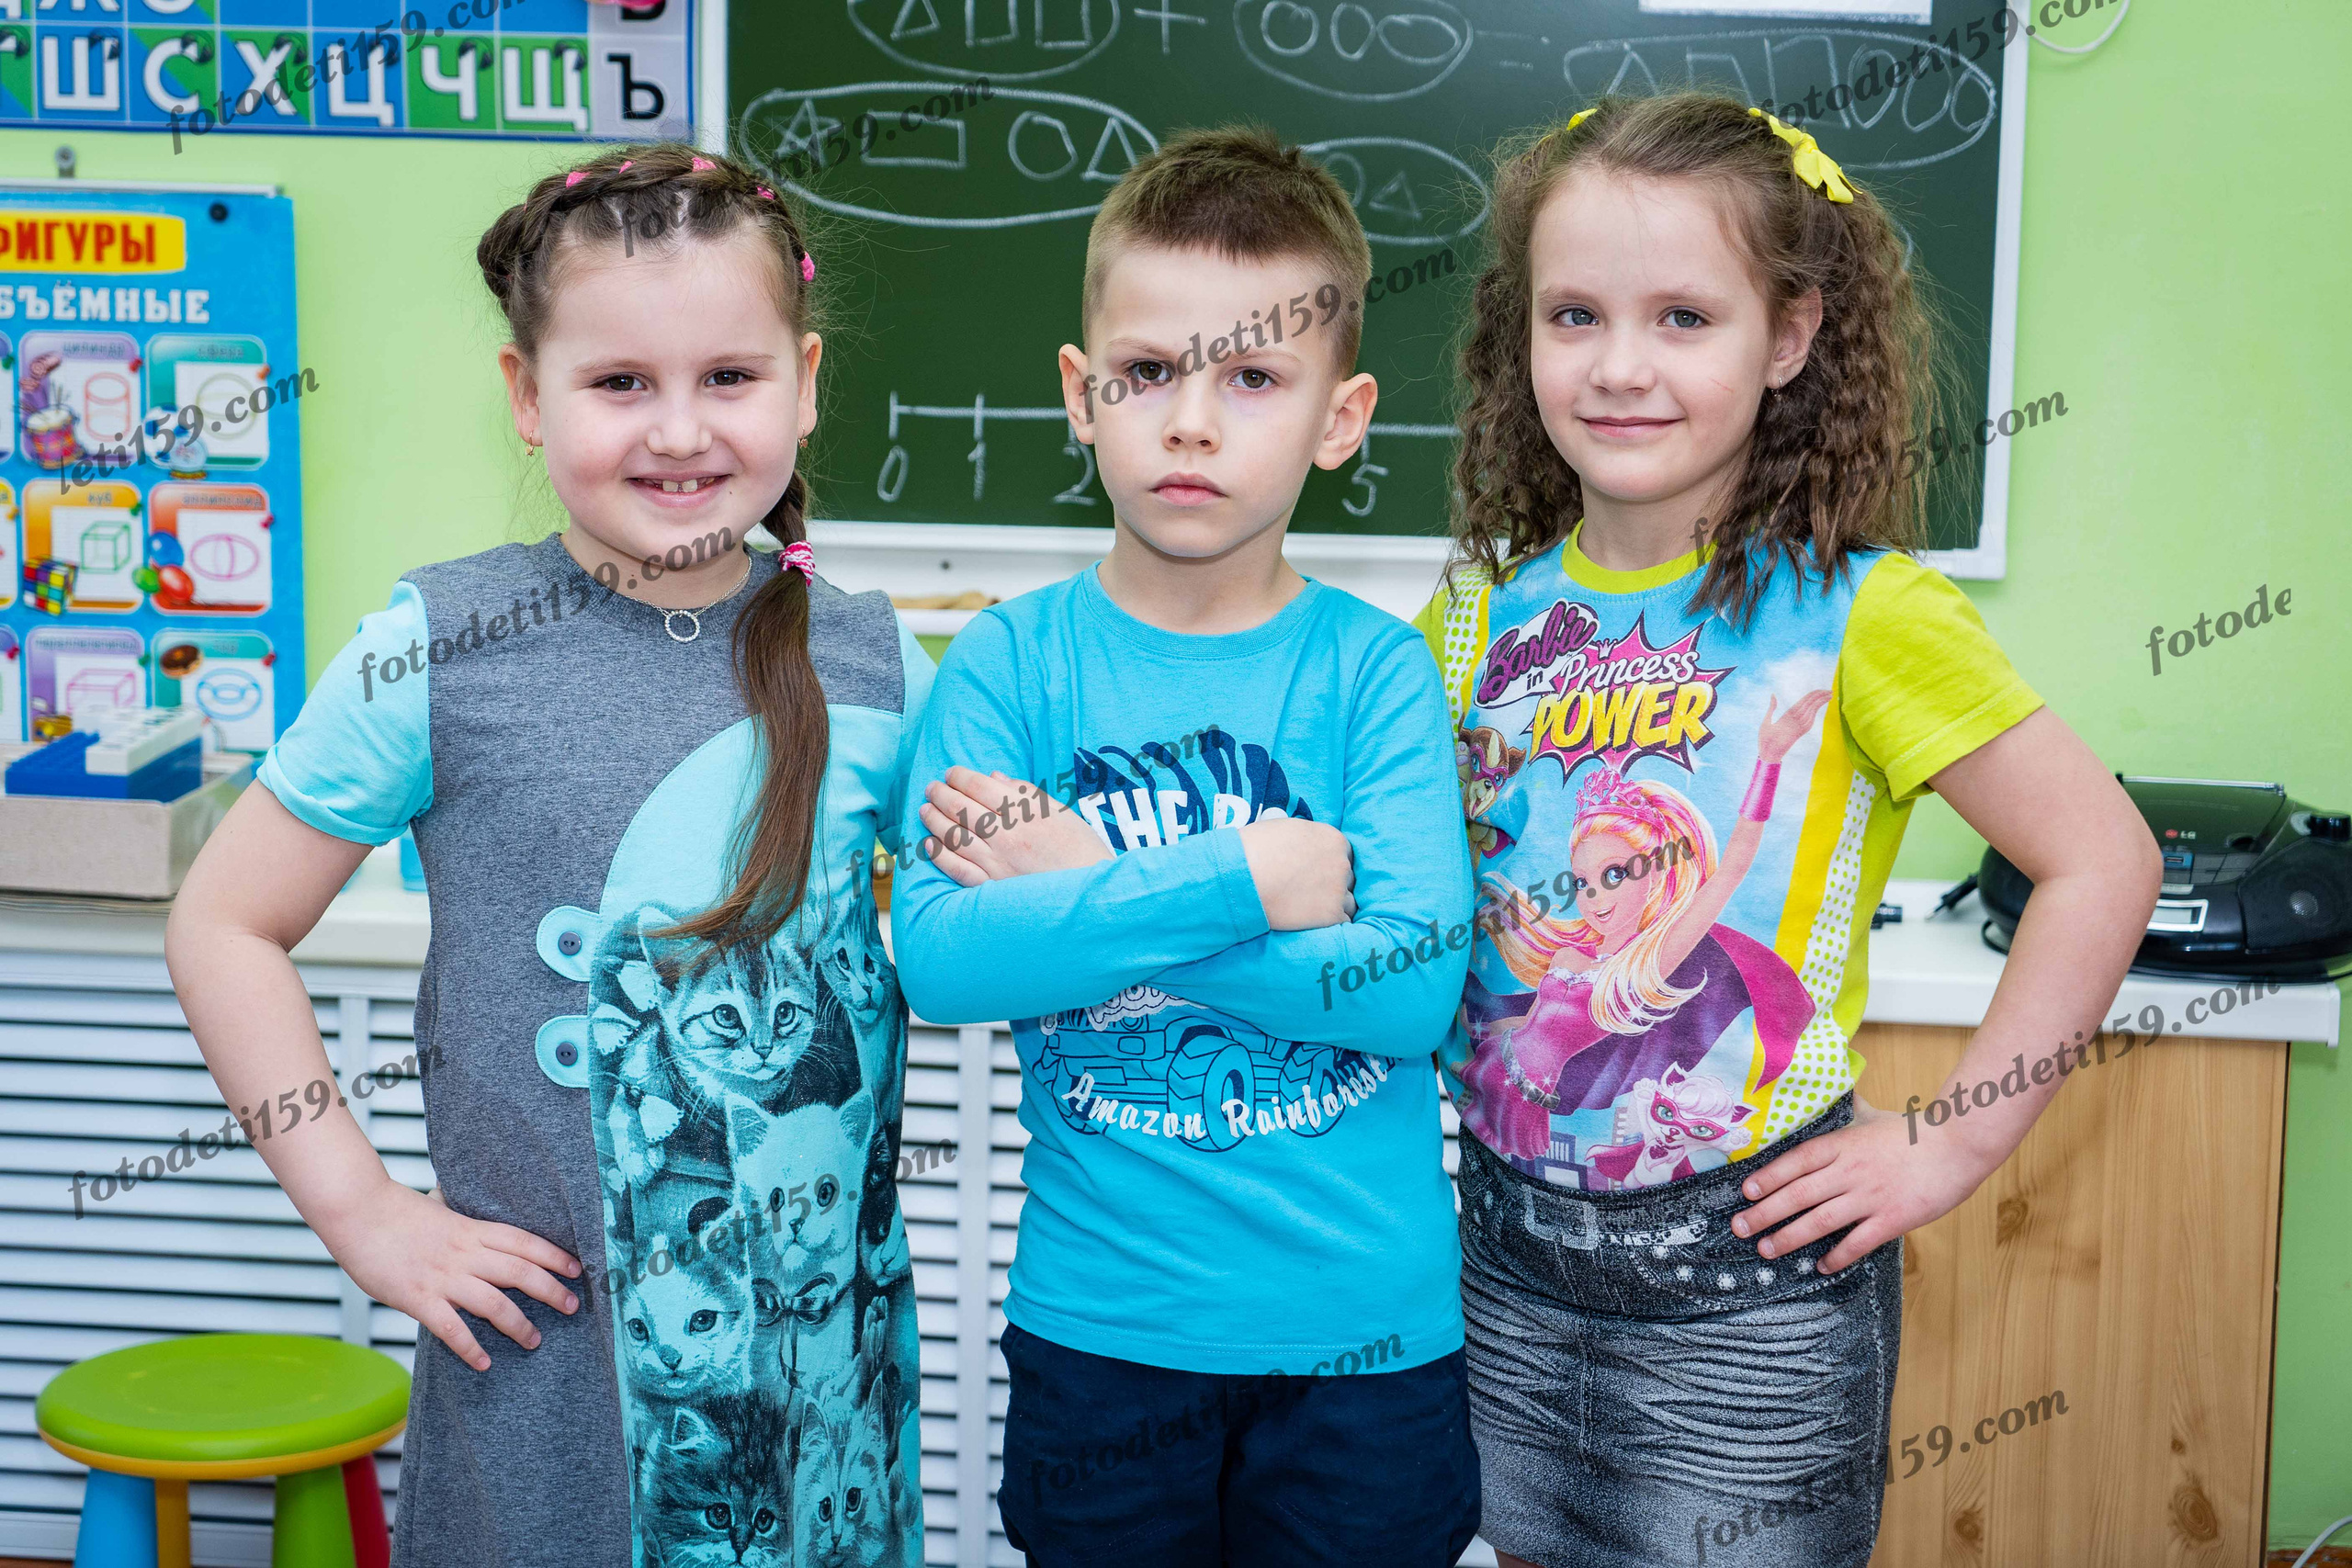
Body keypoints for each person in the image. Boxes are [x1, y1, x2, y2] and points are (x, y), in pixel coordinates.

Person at [1412, 94, 2160, 1568]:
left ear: (1794, 337)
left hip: (1752, 1314)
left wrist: (1945, 1148)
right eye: (1575, 315)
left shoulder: (1865, 613)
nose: (1621, 366)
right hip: (1498, 1286)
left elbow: (2103, 860)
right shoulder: (1469, 618)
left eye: (1685, 317)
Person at [164, 144, 932, 1568]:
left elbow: (951, 938)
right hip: (545, 1385)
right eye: (620, 382)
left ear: (807, 383)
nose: (681, 431)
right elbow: (223, 924)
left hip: (824, 1384)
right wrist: (368, 1214)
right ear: (528, 398)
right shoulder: (440, 646)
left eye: (731, 377)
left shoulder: (875, 657)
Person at [889, 127, 1480, 1566]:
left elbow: (1407, 994)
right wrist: (1250, 884)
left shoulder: (1376, 674)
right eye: (1149, 375)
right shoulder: (1006, 667)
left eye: (1254, 379)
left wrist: (1082, 884)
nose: (1194, 424)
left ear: (1341, 421)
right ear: (1083, 400)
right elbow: (945, 962)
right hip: (1107, 1331)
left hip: (1367, 1343)